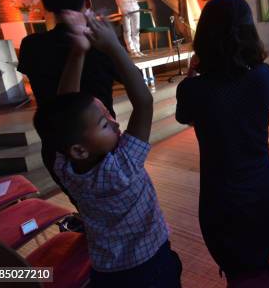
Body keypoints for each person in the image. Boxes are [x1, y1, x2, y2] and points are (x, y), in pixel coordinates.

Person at [33, 15, 182, 287]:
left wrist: (78, 52)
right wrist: (114, 46)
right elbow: (144, 102)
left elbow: (65, 107)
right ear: (79, 149)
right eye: (104, 123)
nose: (114, 123)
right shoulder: (122, 167)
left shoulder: (64, 167)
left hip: (107, 273)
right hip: (151, 266)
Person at [175, 0, 269, 282]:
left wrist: (192, 75)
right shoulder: (263, 76)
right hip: (260, 181)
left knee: (235, 266)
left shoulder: (193, 90)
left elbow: (188, 117)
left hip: (220, 191)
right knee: (260, 256)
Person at [18, 0, 119, 203]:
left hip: (57, 150)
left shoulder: (31, 46)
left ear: (47, 6)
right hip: (101, 146)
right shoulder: (101, 43)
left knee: (90, 213)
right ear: (88, 0)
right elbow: (141, 95)